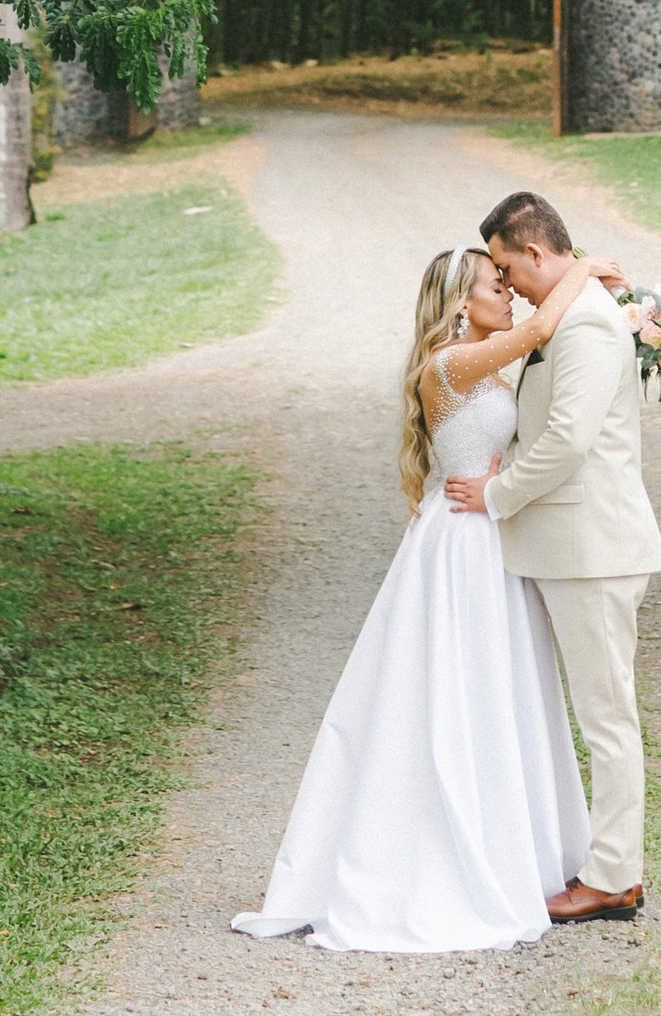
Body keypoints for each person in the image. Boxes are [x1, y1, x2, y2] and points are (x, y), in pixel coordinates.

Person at [231, 240, 597, 955]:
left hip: (490, 532)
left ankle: (516, 846)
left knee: (506, 690)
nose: (510, 292)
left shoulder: (488, 365)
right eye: (496, 283)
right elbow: (539, 330)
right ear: (463, 302)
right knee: (450, 691)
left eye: (509, 280)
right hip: (460, 545)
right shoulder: (451, 363)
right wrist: (582, 268)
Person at [442, 187, 661, 925]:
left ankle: (613, 878)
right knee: (594, 713)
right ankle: (599, 862)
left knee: (607, 718)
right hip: (569, 548)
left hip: (593, 547)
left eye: (506, 268)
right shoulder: (568, 314)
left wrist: (495, 496)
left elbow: (566, 441)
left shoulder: (589, 328)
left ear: (534, 253)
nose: (503, 284)